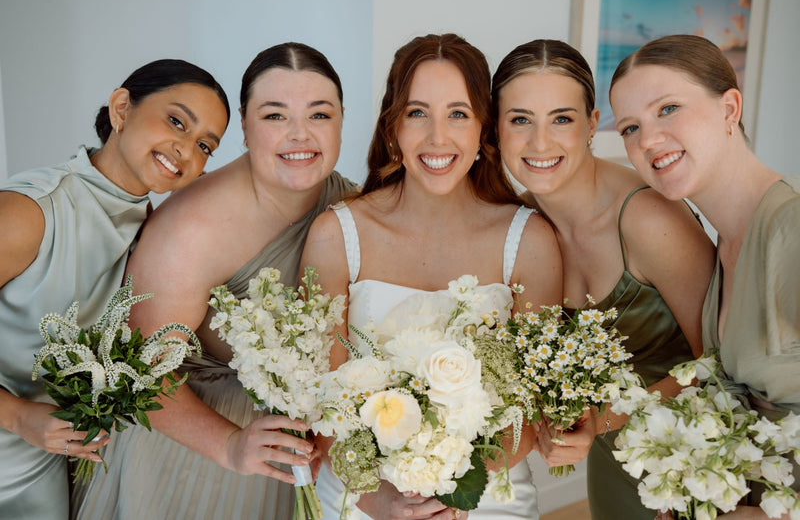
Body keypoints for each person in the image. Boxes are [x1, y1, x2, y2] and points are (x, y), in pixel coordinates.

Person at [70, 42, 356, 520]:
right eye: (275, 116)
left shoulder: (353, 207)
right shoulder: (191, 228)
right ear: (244, 126)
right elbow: (143, 374)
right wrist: (229, 446)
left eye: (319, 115)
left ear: (342, 119)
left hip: (296, 458)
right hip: (193, 459)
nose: (299, 135)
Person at [301, 33, 563, 520]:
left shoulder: (528, 239)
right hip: (360, 491)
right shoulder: (337, 235)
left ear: (484, 127)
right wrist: (380, 499)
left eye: (458, 113)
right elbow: (323, 405)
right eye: (417, 112)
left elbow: (528, 413)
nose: (437, 137)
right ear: (392, 126)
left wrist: (451, 491)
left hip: (485, 493)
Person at [491, 39, 716, 520]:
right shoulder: (521, 228)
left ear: (592, 125)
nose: (540, 143)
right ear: (497, 130)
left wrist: (602, 420)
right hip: (613, 463)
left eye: (562, 119)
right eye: (520, 119)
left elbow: (719, 362)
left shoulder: (649, 220)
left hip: (696, 461)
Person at [0, 59, 230, 520]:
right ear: (122, 107)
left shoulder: (156, 232)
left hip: (53, 458)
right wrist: (17, 416)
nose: (185, 149)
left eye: (204, 144)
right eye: (176, 121)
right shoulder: (31, 212)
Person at [610, 34, 799, 520]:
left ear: (729, 108)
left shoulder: (790, 231)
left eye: (668, 108)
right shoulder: (724, 245)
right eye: (630, 127)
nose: (647, 140)